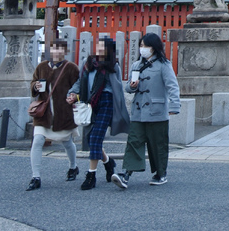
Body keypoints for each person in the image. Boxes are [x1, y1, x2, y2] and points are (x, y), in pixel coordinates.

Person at [114, 33, 181, 189]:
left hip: (157, 111)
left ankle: (160, 173)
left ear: (154, 47)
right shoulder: (136, 65)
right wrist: (132, 85)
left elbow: (172, 86)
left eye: (146, 46)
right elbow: (128, 88)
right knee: (133, 142)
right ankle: (126, 174)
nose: (142, 49)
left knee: (158, 145)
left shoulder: (164, 65)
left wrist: (174, 106)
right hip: (138, 112)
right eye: (141, 45)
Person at [67, 36, 130, 190]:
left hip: (107, 102)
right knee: (91, 138)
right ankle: (108, 163)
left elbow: (117, 90)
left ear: (109, 50)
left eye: (103, 46)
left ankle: (91, 175)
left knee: (95, 138)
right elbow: (79, 81)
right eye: (98, 45)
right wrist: (73, 94)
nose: (100, 48)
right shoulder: (88, 63)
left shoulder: (113, 66)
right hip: (90, 103)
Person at [26, 39, 80, 191]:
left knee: (67, 142)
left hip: (62, 113)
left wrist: (74, 97)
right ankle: (35, 176)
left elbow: (78, 87)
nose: (56, 52)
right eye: (53, 48)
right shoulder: (42, 67)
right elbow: (33, 83)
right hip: (43, 113)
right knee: (37, 141)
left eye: (60, 49)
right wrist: (35, 86)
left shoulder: (71, 68)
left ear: (65, 51)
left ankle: (73, 167)